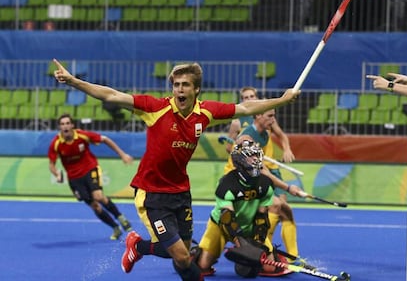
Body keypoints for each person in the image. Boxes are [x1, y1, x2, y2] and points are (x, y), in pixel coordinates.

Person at [52, 59, 300, 281]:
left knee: (182, 252)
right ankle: (149, 252)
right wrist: (73, 81)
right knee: (182, 257)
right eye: (176, 84)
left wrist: (283, 99)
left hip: (181, 192)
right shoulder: (154, 108)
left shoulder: (205, 113)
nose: (179, 89)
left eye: (185, 85)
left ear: (196, 90)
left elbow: (246, 109)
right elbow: (111, 95)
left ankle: (137, 247)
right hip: (152, 193)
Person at [195, 135, 303, 278]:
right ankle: (195, 251)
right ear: (240, 160)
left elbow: (261, 216)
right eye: (251, 156)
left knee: (270, 268)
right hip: (221, 227)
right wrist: (243, 246)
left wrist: (257, 243)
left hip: (250, 227)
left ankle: (272, 254)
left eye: (257, 155)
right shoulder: (226, 184)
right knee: (202, 267)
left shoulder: (265, 183)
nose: (256, 159)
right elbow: (228, 219)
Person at [224, 108, 304, 270]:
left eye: (274, 116)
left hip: (255, 178)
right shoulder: (248, 136)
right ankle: (262, 248)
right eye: (270, 116)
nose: (273, 120)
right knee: (275, 205)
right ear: (258, 116)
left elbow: (261, 168)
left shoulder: (264, 134)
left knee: (285, 210)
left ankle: (292, 257)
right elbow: (260, 170)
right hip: (239, 183)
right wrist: (288, 187)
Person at [48, 113, 134, 240]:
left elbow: (105, 139)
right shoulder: (56, 143)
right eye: (62, 124)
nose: (65, 126)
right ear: (59, 127)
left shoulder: (82, 135)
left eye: (67, 123)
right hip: (74, 178)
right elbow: (51, 164)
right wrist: (57, 174)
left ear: (72, 125)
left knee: (98, 196)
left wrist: (122, 154)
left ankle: (121, 217)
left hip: (89, 168)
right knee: (95, 206)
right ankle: (115, 227)